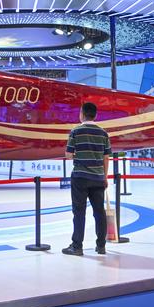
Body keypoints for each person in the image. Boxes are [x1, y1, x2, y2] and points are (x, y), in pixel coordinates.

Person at [62, 101, 111, 256]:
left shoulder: (75, 131)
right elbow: (106, 158)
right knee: (99, 212)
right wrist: (104, 177)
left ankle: (77, 247)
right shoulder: (103, 133)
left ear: (82, 114)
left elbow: (68, 154)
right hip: (98, 177)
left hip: (80, 177)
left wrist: (79, 155)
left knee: (79, 212)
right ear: (95, 115)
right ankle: (101, 246)